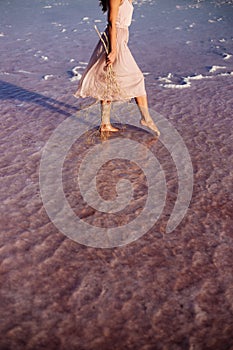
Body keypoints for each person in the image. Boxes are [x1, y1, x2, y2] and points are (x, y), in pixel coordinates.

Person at [74, 0, 160, 137]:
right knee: (136, 78)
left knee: (108, 79)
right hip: (115, 40)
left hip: (120, 38)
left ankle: (105, 124)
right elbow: (111, 23)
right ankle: (146, 118)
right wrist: (113, 50)